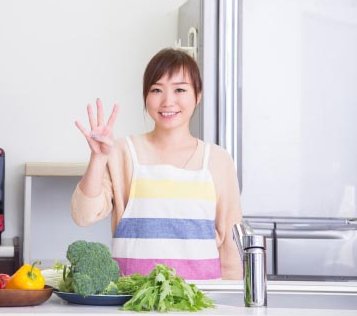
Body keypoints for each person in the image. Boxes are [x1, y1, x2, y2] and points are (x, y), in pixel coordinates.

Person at [71, 48, 242, 280]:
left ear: (198, 95)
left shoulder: (218, 160)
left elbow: (230, 244)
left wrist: (233, 304)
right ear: (146, 97)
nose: (168, 101)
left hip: (201, 302)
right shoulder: (122, 152)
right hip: (133, 300)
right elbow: (83, 216)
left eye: (180, 89)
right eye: (156, 90)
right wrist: (98, 158)